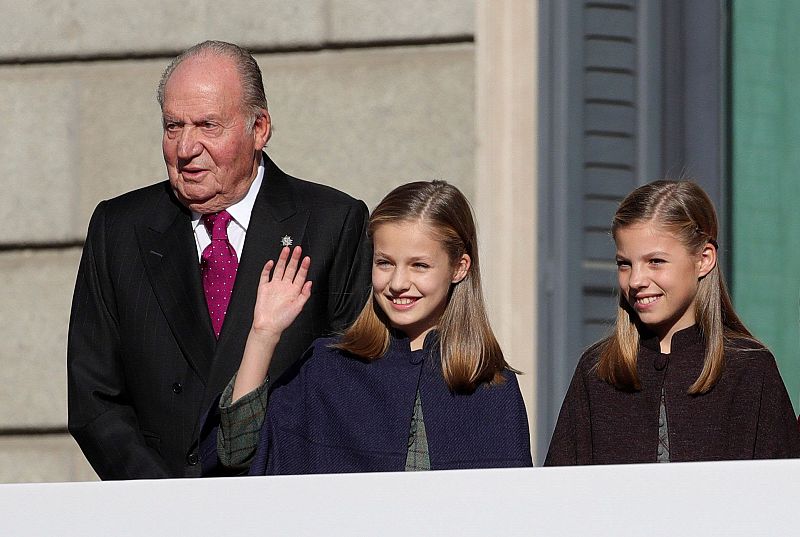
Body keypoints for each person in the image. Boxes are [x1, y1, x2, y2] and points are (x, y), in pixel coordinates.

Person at [67, 41, 371, 479]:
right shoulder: (119, 228)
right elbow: (92, 393)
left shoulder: (332, 223)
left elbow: (353, 387)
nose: (186, 147)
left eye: (208, 125)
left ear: (259, 128)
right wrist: (160, 501)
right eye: (173, 126)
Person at [202, 180, 532, 475]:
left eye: (419, 265)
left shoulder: (492, 387)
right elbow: (236, 452)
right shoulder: (326, 368)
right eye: (384, 263)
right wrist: (263, 335)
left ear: (459, 267)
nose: (399, 283)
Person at [545, 180, 800, 465]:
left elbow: (784, 497)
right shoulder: (596, 372)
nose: (636, 280)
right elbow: (557, 497)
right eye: (624, 263)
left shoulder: (751, 370)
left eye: (655, 261)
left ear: (704, 259)